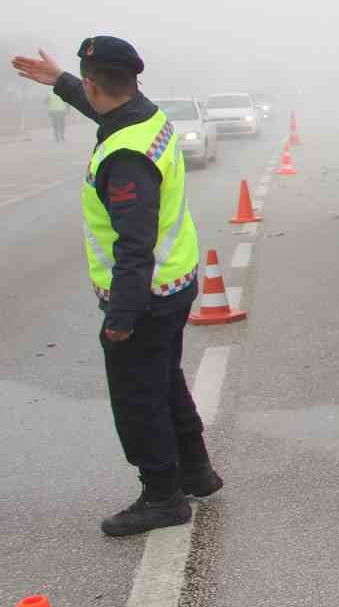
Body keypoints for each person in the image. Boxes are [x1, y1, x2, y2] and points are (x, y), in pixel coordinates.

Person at [11, 37, 224, 536]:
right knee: (165, 383)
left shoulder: (125, 157)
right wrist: (61, 81)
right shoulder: (148, 118)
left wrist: (121, 321)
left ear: (95, 82)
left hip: (144, 298)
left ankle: (162, 496)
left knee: (137, 398)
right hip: (175, 284)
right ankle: (196, 471)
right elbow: (104, 110)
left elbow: (134, 245)